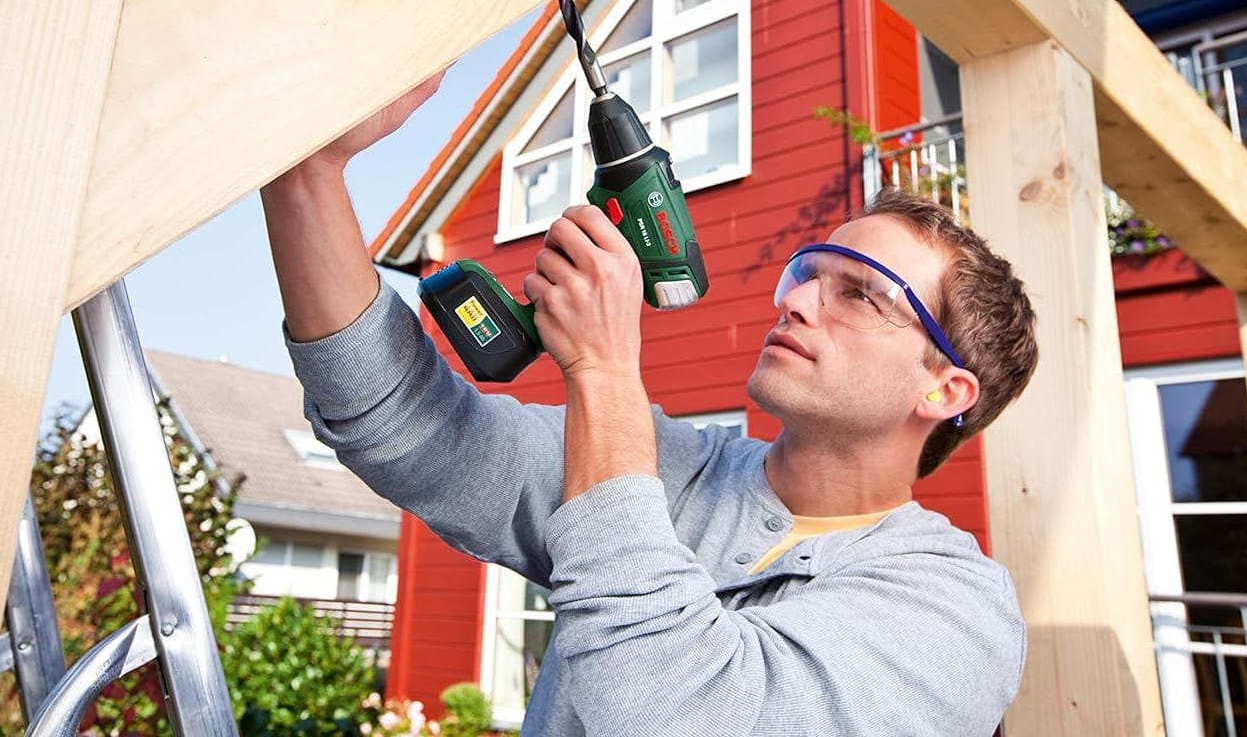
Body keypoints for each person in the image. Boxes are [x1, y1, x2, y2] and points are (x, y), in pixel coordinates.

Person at [261, 71, 1039, 736]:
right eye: (809, 273)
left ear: (945, 389)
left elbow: (679, 710)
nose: (797, 302)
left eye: (862, 296)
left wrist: (602, 368)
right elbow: (402, 422)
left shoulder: (956, 611)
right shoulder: (676, 470)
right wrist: (307, 175)